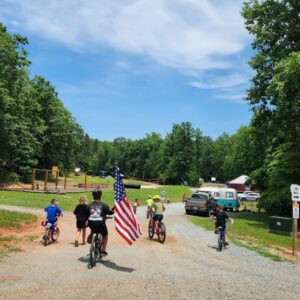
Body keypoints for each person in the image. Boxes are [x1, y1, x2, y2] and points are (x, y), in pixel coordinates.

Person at [87, 189, 114, 255]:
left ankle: (91, 236)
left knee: (93, 228)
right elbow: (110, 212)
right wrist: (114, 208)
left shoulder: (89, 205)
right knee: (105, 235)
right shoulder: (104, 205)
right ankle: (103, 249)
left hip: (91, 223)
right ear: (100, 196)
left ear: (93, 196)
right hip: (100, 224)